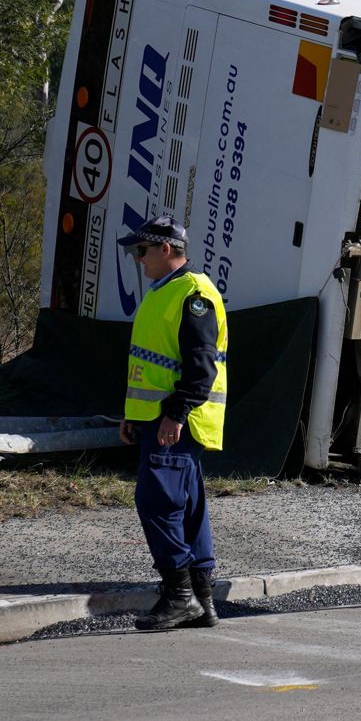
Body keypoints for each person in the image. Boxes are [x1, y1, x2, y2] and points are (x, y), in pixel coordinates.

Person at [117, 214, 227, 631]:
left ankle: (179, 594)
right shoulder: (166, 291)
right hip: (158, 419)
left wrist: (175, 413)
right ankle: (201, 598)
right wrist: (135, 414)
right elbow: (152, 361)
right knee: (189, 509)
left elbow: (202, 366)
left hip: (177, 422)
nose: (137, 259)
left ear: (166, 250)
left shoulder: (192, 294)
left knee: (157, 502)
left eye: (142, 251)